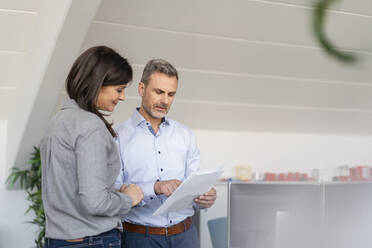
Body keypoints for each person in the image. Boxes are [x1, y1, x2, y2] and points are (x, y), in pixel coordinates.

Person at [40, 46, 144, 248]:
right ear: (98, 83)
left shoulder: (57, 122)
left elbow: (71, 189)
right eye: (119, 89)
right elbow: (94, 202)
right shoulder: (90, 126)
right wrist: (127, 199)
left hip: (58, 239)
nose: (122, 97)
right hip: (92, 241)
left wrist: (113, 193)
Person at [115, 59, 217, 248]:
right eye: (159, 92)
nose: (165, 101)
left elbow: (193, 185)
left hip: (186, 236)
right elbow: (114, 191)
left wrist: (204, 198)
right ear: (141, 88)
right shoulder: (118, 137)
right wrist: (155, 187)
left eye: (171, 94)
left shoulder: (185, 135)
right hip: (140, 239)